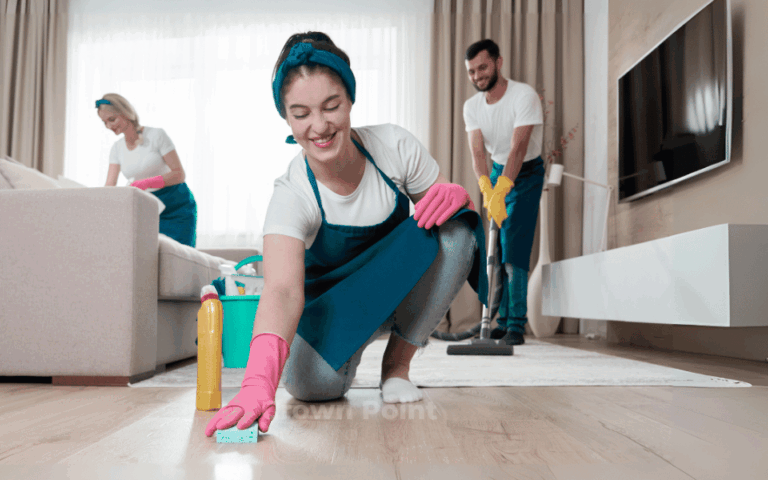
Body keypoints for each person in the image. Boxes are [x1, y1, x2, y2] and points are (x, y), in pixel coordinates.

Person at [204, 32, 490, 438]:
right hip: (335, 309)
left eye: (331, 106)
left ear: (350, 99)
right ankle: (348, 352)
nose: (319, 126)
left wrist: (460, 198)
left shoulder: (393, 146)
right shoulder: (291, 193)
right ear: (286, 117)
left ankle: (397, 366)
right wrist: (257, 383)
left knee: (459, 232)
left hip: (399, 289)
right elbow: (282, 291)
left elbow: (450, 220)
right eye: (301, 113)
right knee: (310, 386)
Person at [463, 39, 545, 346]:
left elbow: (518, 148)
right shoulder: (471, 107)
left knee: (514, 248)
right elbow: (477, 153)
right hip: (496, 172)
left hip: (526, 173)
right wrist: (487, 187)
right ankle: (501, 319)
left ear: (499, 62)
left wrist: (504, 189)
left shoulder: (524, 96)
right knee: (496, 249)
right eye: (471, 71)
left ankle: (516, 325)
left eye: (482, 67)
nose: (477, 76)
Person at [96, 93, 198, 247]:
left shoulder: (157, 135)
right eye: (105, 122)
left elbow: (179, 174)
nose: (109, 126)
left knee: (180, 260)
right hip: (150, 210)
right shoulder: (117, 149)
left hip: (177, 207)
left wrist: (146, 183)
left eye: (112, 119)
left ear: (126, 113)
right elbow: (109, 185)